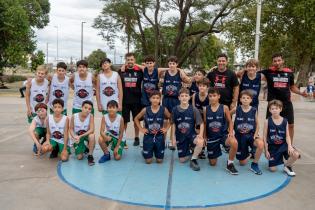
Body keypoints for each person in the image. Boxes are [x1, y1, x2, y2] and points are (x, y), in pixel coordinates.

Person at [260, 53, 307, 143]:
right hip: (273, 104)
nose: (277, 62)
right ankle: (270, 144)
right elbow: (253, 75)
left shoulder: (289, 72)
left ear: (282, 61)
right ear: (272, 62)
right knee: (270, 125)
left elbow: (292, 87)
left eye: (279, 60)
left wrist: (301, 93)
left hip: (286, 103)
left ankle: (290, 146)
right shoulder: (268, 72)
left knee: (291, 125)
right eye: (275, 61)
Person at [203, 88, 239, 175]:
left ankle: (230, 164)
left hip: (223, 135)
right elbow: (204, 124)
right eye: (210, 96)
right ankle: (217, 149)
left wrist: (231, 132)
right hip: (212, 137)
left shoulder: (224, 108)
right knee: (213, 164)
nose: (212, 98)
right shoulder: (205, 109)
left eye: (214, 96)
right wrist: (204, 136)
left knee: (234, 142)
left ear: (219, 96)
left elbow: (230, 121)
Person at [263, 100, 300, 176]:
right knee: (273, 169)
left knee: (296, 154)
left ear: (280, 109)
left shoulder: (285, 121)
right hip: (272, 147)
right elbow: (264, 136)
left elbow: (287, 136)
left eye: (276, 108)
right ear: (269, 110)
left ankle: (287, 166)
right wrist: (266, 150)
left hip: (283, 145)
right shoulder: (267, 121)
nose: (274, 110)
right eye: (272, 109)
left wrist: (289, 146)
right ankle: (276, 159)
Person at [171, 88, 204, 171]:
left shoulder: (193, 109)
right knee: (182, 160)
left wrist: (200, 135)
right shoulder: (175, 109)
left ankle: (193, 159)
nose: (184, 98)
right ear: (179, 98)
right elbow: (174, 125)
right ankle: (191, 150)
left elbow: (201, 124)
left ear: (189, 97)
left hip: (191, 135)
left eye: (186, 96)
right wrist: (173, 138)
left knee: (200, 142)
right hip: (180, 137)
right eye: (182, 96)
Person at [134, 90, 171, 164]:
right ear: (150, 99)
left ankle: (154, 150)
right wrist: (141, 129)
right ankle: (146, 151)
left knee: (159, 161)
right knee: (148, 161)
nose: (155, 100)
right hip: (148, 136)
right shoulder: (145, 109)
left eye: (157, 98)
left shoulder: (163, 109)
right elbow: (136, 118)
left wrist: (166, 128)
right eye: (153, 98)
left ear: (160, 99)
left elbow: (171, 118)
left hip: (159, 136)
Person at [162, 56, 191, 150]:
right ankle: (162, 140)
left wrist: (181, 71)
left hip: (176, 100)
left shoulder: (180, 73)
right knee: (165, 121)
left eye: (174, 63)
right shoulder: (165, 73)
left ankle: (172, 141)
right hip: (166, 99)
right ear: (168, 64)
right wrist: (172, 68)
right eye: (170, 63)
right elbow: (156, 69)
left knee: (173, 120)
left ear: (177, 64)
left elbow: (188, 81)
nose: (171, 65)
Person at [234, 90, 264, 175]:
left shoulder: (254, 110)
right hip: (239, 136)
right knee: (242, 163)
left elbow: (257, 124)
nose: (245, 100)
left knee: (261, 144)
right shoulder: (237, 109)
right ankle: (251, 153)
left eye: (248, 98)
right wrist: (230, 131)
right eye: (243, 98)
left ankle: (254, 164)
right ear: (240, 99)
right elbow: (228, 116)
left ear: (251, 100)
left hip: (251, 135)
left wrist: (255, 134)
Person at [119, 53, 143, 147]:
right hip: (125, 101)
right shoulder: (121, 71)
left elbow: (147, 68)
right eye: (128, 60)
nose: (130, 61)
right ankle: (123, 139)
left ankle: (136, 138)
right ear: (126, 61)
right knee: (124, 121)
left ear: (134, 60)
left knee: (136, 120)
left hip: (136, 101)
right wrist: (123, 66)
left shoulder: (140, 71)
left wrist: (136, 65)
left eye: (132, 60)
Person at [69, 100, 95, 166]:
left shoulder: (91, 116)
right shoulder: (74, 116)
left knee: (92, 136)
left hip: (85, 135)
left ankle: (90, 156)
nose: (87, 110)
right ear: (82, 107)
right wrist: (74, 136)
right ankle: (85, 148)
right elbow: (71, 128)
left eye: (89, 109)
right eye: (85, 108)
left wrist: (81, 136)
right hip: (77, 137)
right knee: (79, 157)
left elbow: (92, 129)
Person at [192, 77, 209, 159]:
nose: (201, 87)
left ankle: (202, 149)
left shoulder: (209, 96)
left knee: (205, 133)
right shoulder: (195, 95)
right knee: (197, 131)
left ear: (207, 87)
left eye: (204, 86)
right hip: (197, 117)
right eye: (200, 86)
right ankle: (195, 146)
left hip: (207, 117)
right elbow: (193, 109)